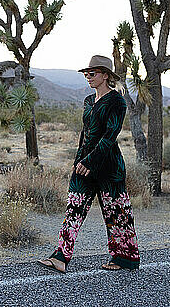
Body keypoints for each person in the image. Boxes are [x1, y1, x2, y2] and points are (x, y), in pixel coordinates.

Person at [37, 55, 140, 273]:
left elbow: (110, 135)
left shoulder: (117, 101)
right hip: (84, 163)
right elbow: (86, 134)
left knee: (116, 214)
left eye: (92, 73)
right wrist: (79, 161)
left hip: (108, 167)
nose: (88, 77)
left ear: (105, 75)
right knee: (73, 208)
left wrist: (91, 160)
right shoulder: (88, 101)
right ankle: (60, 257)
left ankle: (125, 258)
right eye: (86, 74)